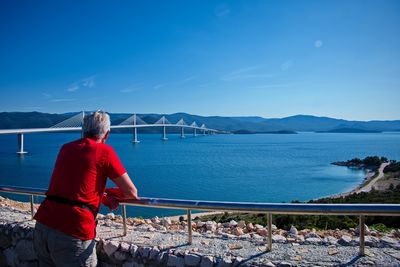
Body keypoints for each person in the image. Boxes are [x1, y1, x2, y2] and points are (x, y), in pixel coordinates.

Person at [33, 111, 138, 267]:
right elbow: (131, 193)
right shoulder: (105, 151)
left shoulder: (65, 148)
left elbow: (75, 186)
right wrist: (108, 194)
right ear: (107, 134)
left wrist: (101, 196)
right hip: (73, 230)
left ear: (83, 130)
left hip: (44, 227)